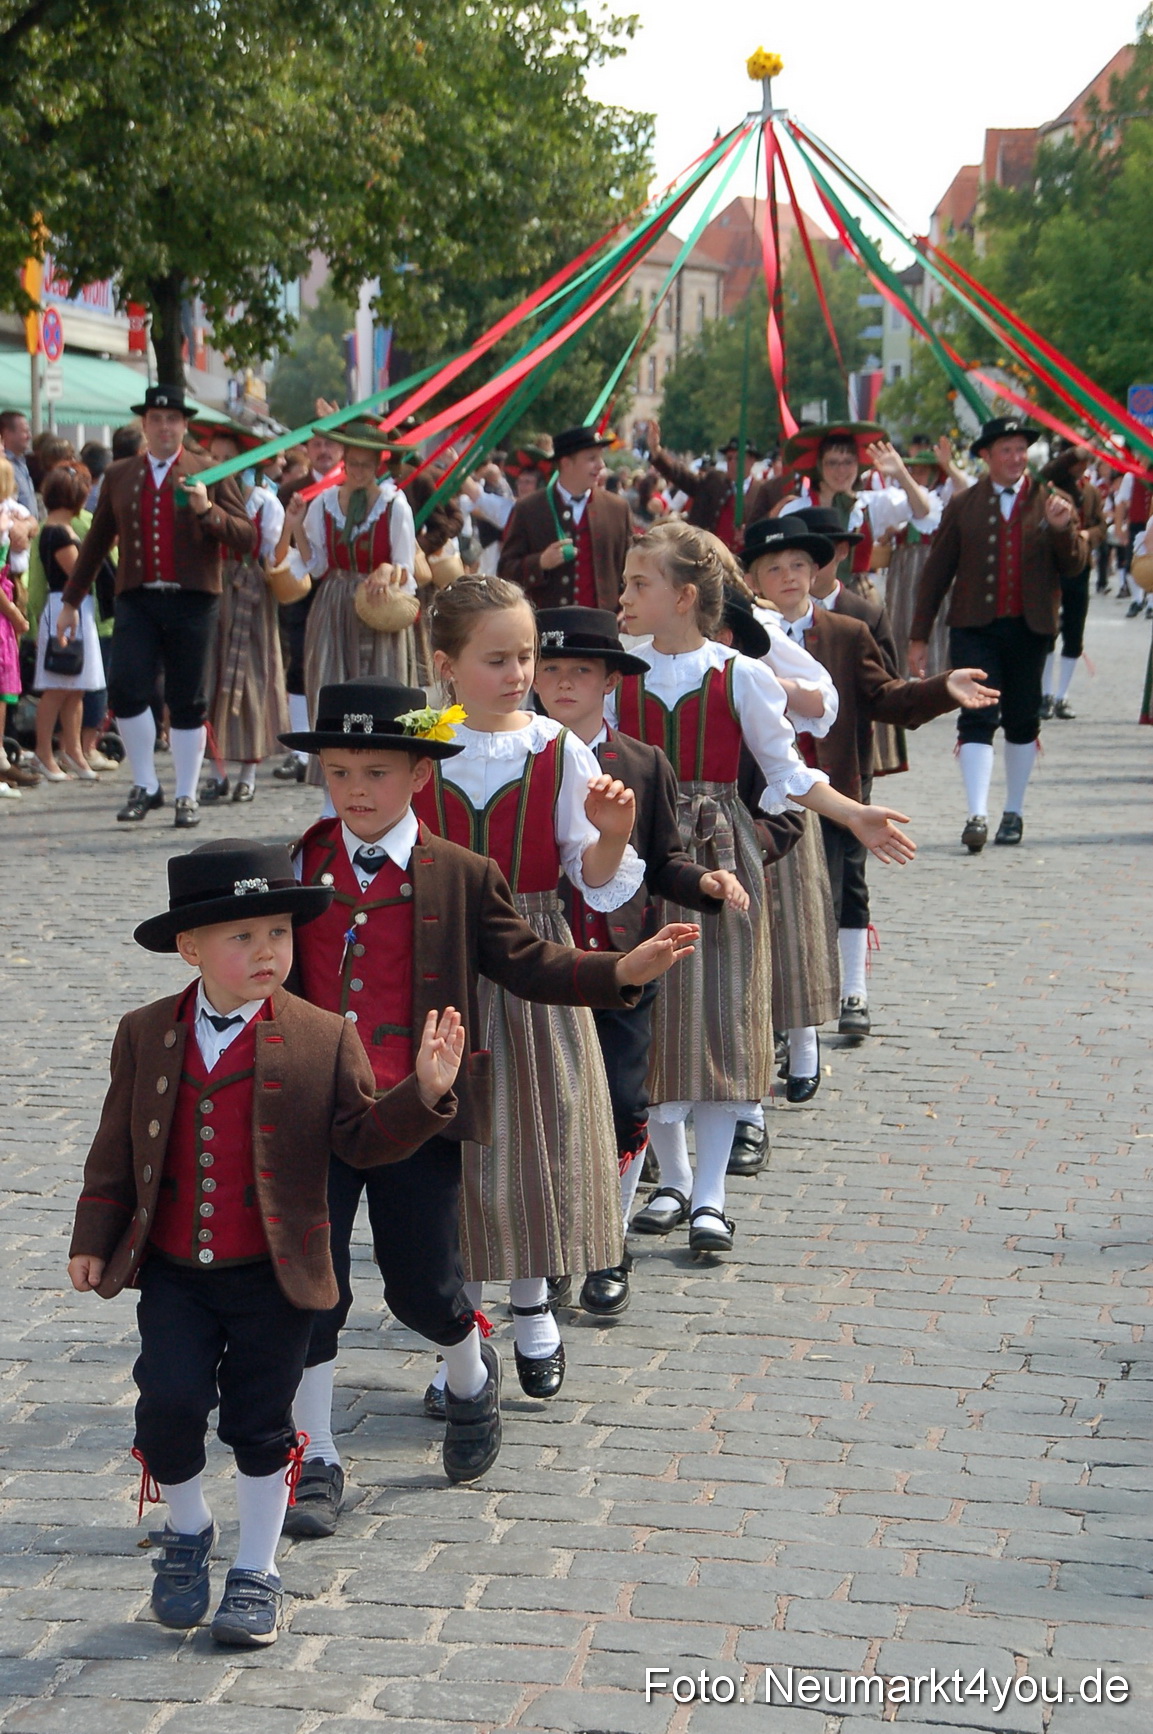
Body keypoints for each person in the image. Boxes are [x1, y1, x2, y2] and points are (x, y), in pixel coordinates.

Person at [280, 677, 696, 1525]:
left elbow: (528, 962)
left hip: (418, 1108)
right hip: (316, 1110)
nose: (356, 790)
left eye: (376, 772)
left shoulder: (463, 875)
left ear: (419, 775)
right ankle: (313, 1456)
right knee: (310, 1288)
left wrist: (619, 970)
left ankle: (470, 1373)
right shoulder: (297, 866)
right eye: (340, 771)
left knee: (423, 1288)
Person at [67, 838, 466, 1647]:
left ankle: (257, 1569)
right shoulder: (145, 1032)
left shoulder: (323, 1036)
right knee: (168, 1405)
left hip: (276, 1276)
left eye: (278, 933)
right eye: (242, 936)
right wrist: (94, 1234)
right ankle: (188, 1528)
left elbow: (362, 1139)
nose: (266, 951)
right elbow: (115, 1148)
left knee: (259, 1421)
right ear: (190, 947)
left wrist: (421, 1095)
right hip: (175, 1270)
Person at [617, 522, 915, 1253]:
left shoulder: (740, 674)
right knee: (655, 1022)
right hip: (640, 852)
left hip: (722, 851)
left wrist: (852, 812)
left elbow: (786, 771)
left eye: (638, 584)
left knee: (722, 1017)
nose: (623, 596)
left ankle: (711, 1194)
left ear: (683, 597)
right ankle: (673, 1179)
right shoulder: (618, 672)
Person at [412, 578, 671, 1393]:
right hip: (430, 959)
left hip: (530, 954)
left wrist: (613, 833)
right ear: (445, 664)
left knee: (530, 1138)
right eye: (496, 659)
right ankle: (460, 1339)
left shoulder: (557, 748)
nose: (519, 673)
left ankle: (532, 1309)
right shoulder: (418, 739)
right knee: (447, 1155)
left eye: (524, 656)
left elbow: (592, 877)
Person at [532, 605, 744, 1313]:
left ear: (610, 682)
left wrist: (704, 883)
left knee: (624, 1104)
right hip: (538, 963)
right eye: (550, 668)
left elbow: (663, 859)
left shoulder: (645, 762)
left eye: (581, 670)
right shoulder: (515, 756)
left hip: (626, 963)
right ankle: (552, 1246)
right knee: (551, 1109)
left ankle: (607, 1244)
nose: (564, 682)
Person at [745, 518, 997, 1047]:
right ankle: (777, 1018)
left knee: (837, 895)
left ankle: (843, 997)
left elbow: (887, 697)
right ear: (752, 580)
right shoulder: (742, 640)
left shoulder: (847, 631)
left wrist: (941, 687)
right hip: (767, 794)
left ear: (816, 570)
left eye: (798, 565)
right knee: (772, 905)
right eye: (774, 568)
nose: (788, 576)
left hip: (838, 788)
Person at [54, 384, 255, 828]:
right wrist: (72, 600)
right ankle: (146, 784)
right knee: (126, 688)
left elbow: (245, 536)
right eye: (156, 420)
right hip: (138, 596)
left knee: (187, 698)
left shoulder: (210, 470)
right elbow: (96, 540)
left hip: (194, 598)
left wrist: (208, 511)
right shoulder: (121, 474)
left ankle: (186, 793)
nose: (165, 427)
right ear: (145, 425)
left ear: (184, 425)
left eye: (173, 420)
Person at [909, 416, 1086, 852]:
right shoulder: (964, 503)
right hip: (975, 627)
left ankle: (1014, 811)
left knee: (1023, 718)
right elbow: (936, 573)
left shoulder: (1051, 500)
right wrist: (918, 635)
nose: (1015, 457)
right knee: (977, 714)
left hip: (1030, 628)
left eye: (1021, 449)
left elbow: (1075, 565)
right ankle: (977, 814)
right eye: (1006, 449)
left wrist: (1062, 529)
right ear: (986, 456)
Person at [284, 420, 419, 786]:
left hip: (378, 607)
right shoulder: (325, 503)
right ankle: (333, 793)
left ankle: (384, 779)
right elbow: (317, 565)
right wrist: (295, 525)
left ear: (378, 465)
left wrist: (386, 570)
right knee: (331, 689)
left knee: (380, 694)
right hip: (334, 604)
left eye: (366, 465)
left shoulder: (394, 505)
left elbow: (407, 569)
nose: (358, 472)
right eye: (353, 463)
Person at [193, 421, 291, 804]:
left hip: (249, 593)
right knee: (210, 679)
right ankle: (215, 770)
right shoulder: (199, 498)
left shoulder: (263, 502)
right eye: (214, 457)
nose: (219, 464)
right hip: (209, 590)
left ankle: (248, 772)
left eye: (228, 458)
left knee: (250, 679)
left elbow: (272, 556)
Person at [778, 424, 940, 597]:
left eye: (848, 462)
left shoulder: (869, 504)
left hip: (858, 597)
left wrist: (901, 474)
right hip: (806, 599)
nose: (841, 470)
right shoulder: (797, 510)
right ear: (819, 466)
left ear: (858, 465)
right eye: (832, 463)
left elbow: (922, 511)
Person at [273, 425, 345, 782]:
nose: (323, 450)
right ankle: (300, 752)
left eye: (330, 443)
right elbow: (278, 540)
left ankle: (343, 738)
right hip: (303, 585)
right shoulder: (291, 490)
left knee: (342, 663)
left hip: (344, 585)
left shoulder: (353, 486)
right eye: (317, 444)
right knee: (300, 659)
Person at [498, 425, 632, 609]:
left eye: (600, 457)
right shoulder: (528, 509)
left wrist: (627, 606)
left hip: (603, 624)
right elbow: (505, 571)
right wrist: (540, 563)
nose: (601, 465)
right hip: (548, 623)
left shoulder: (617, 508)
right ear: (566, 463)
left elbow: (631, 567)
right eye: (592, 458)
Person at [31, 466, 109, 781]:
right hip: (65, 606)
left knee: (76, 687)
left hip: (76, 607)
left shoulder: (58, 528)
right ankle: (44, 752)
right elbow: (80, 572)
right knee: (58, 686)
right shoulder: (58, 532)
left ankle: (73, 750)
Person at [1039, 446, 1106, 720]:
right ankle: (1044, 694)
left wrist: (1088, 535)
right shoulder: (1051, 485)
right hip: (1053, 568)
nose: (1082, 467)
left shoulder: (1091, 492)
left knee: (1074, 630)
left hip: (1080, 566)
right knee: (1048, 629)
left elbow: (1101, 525)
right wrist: (1077, 449)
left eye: (1086, 462)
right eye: (1078, 461)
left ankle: (1062, 695)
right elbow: (1048, 470)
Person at [647, 421, 767, 550]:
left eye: (738, 459)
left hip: (745, 557)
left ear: (752, 461)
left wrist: (750, 533)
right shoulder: (714, 481)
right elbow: (681, 476)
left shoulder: (762, 491)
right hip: (706, 554)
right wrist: (656, 450)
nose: (732, 463)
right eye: (729, 458)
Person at [0, 410, 38, 516]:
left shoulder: (22, 463)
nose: (29, 436)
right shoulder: (3, 465)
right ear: (7, 434)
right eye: (25, 431)